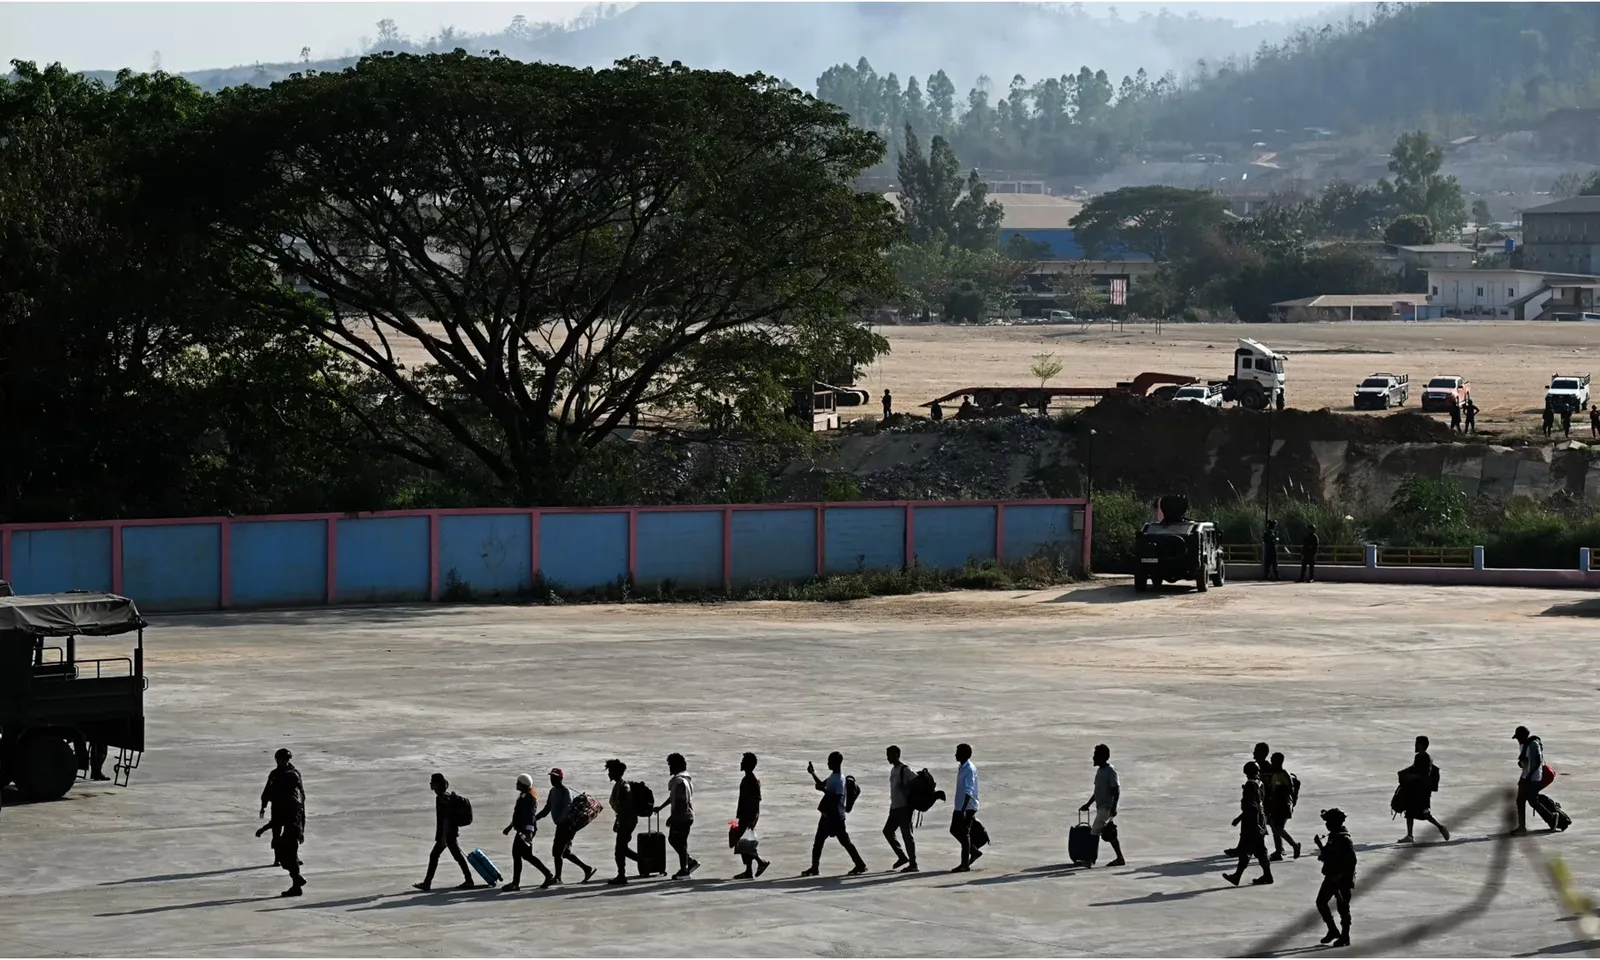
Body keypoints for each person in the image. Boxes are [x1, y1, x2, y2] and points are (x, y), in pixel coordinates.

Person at [802, 752, 867, 877]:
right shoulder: (835, 776)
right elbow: (822, 784)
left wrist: (824, 790)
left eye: (829, 761)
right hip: (830, 815)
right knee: (825, 842)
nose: (828, 763)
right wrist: (812, 773)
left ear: (835, 763)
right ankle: (815, 867)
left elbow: (836, 797)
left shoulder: (838, 780)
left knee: (836, 842)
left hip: (834, 817)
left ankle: (860, 865)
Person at [255, 747, 306, 897]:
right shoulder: (276, 775)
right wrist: (264, 805)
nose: (283, 762)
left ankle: (297, 881)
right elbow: (268, 789)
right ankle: (297, 881)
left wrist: (264, 828)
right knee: (285, 853)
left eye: (286, 760)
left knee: (288, 856)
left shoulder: (292, 780)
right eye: (281, 760)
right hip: (284, 817)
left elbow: (297, 809)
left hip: (292, 826)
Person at [415, 772, 474, 891]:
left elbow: (445, 819)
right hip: (450, 833)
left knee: (437, 855)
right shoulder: (446, 796)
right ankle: (468, 879)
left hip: (448, 834)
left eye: (432, 782)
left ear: (437, 784)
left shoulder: (441, 798)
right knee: (454, 856)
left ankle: (428, 883)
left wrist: (443, 838)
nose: (430, 784)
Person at [537, 768, 595, 884]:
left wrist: (561, 822)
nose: (552, 780)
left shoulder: (566, 791)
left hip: (566, 826)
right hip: (560, 825)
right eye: (551, 777)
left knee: (557, 852)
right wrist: (536, 818)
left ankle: (558, 877)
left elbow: (569, 809)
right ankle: (586, 868)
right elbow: (547, 808)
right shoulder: (553, 791)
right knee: (565, 853)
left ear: (561, 778)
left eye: (555, 777)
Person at [1222, 761, 1273, 886]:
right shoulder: (1260, 783)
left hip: (1252, 822)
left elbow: (1252, 807)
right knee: (1261, 850)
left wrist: (1240, 819)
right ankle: (1268, 875)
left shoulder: (1250, 785)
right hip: (1260, 820)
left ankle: (1237, 876)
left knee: (1246, 849)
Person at [502, 773, 555, 891]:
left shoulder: (529, 798)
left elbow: (531, 816)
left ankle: (515, 883)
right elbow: (519, 814)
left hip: (525, 830)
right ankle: (548, 875)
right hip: (522, 829)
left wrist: (529, 833)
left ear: (524, 785)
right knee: (526, 856)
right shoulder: (524, 795)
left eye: (518, 783)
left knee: (517, 854)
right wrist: (510, 826)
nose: (516, 785)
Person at [1313, 808, 1355, 947]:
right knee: (1321, 902)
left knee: (1343, 907)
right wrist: (1320, 846)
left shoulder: (1344, 838)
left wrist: (1340, 875)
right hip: (1332, 875)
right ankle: (1332, 930)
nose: (1327, 825)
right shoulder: (1334, 835)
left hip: (1342, 878)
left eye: (1329, 822)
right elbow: (1330, 853)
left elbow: (1351, 861)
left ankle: (1345, 936)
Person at [1078, 743, 1126, 867]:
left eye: (1095, 755)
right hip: (1101, 808)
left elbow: (1116, 790)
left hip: (1107, 808)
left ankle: (1089, 859)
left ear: (1103, 757)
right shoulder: (1100, 771)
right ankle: (1120, 858)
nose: (1093, 758)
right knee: (1109, 834)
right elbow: (1097, 792)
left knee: (1094, 833)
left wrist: (1114, 807)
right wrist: (1088, 804)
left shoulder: (1110, 771)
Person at [653, 753, 698, 880]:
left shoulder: (679, 781)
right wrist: (661, 807)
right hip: (686, 815)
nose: (669, 768)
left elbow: (680, 801)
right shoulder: (685, 779)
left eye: (670, 765)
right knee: (679, 841)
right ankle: (688, 863)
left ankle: (685, 868)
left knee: (676, 840)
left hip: (682, 817)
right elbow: (673, 798)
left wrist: (672, 817)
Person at [1398, 736, 1450, 843]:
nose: (1415, 746)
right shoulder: (1418, 757)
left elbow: (1424, 775)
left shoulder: (1426, 758)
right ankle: (1410, 836)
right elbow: (1414, 768)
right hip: (1415, 790)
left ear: (1422, 745)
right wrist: (1404, 772)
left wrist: (1411, 777)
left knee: (1425, 814)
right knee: (1409, 812)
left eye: (1417, 743)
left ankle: (1440, 827)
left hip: (1423, 792)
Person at [1225, 743, 1271, 857]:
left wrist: (1239, 818)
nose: (1253, 753)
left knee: (1251, 832)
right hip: (1259, 809)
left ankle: (1245, 851)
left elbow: (1252, 805)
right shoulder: (1257, 776)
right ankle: (1248, 851)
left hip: (1256, 811)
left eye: (1256, 751)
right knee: (1257, 834)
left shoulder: (1261, 773)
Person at [732, 752, 770, 879]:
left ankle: (760, 862)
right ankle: (748, 870)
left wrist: (754, 819)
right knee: (744, 842)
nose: (741, 763)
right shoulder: (746, 778)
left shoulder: (752, 780)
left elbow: (756, 801)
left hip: (748, 816)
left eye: (743, 761)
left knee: (745, 843)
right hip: (744, 815)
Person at [883, 745, 919, 872]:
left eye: (890, 755)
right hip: (895, 808)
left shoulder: (905, 769)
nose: (888, 757)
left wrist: (907, 790)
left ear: (897, 754)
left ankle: (913, 864)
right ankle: (902, 857)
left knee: (907, 836)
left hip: (904, 808)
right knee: (887, 831)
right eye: (887, 755)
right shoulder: (893, 770)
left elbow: (917, 782)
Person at [605, 759, 639, 885]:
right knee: (622, 848)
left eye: (610, 771)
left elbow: (625, 808)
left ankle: (622, 875)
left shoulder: (624, 787)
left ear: (616, 772)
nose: (609, 773)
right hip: (626, 820)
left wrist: (619, 821)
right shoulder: (619, 785)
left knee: (619, 850)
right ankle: (644, 862)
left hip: (627, 821)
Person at [950, 742, 983, 872]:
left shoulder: (969, 769)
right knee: (954, 830)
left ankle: (964, 864)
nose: (955, 755)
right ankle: (973, 851)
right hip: (960, 806)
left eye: (957, 752)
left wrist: (963, 811)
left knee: (964, 834)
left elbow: (968, 792)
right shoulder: (963, 766)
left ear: (963, 754)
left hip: (967, 807)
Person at [1264, 752, 1301, 861]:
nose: (1271, 762)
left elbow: (1290, 790)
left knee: (1278, 829)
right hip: (1276, 805)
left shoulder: (1284, 775)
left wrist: (1279, 792)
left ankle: (1294, 845)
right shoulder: (1276, 773)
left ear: (1279, 761)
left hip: (1283, 805)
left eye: (1273, 760)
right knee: (1275, 827)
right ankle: (1278, 852)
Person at [1512, 725, 1546, 835]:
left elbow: (1537, 762)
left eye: (1518, 738)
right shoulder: (1524, 745)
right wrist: (1521, 764)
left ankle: (1552, 817)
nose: (1517, 740)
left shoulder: (1533, 744)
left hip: (1533, 778)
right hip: (1525, 777)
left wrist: (1529, 776)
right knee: (1521, 801)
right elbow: (1526, 762)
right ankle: (1521, 827)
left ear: (1523, 736)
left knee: (1532, 801)